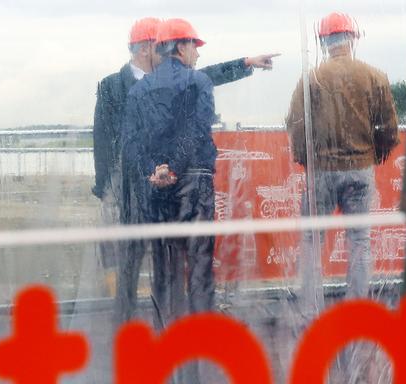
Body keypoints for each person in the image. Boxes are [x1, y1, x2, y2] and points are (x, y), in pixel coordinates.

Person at [103, 18, 277, 325]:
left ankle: (164, 330)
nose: (198, 54)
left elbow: (130, 141)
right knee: (198, 260)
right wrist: (174, 168)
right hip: (192, 183)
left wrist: (155, 171)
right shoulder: (195, 82)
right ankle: (198, 331)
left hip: (155, 189)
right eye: (195, 46)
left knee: (162, 262)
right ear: (181, 47)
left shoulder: (140, 90)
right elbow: (197, 131)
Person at [285, 13, 399, 381]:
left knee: (312, 239)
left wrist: (308, 159)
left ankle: (310, 309)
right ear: (352, 38)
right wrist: (377, 153)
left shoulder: (312, 78)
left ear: (322, 42)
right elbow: (388, 126)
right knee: (360, 241)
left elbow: (297, 124)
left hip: (323, 170)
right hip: (360, 168)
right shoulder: (373, 76)